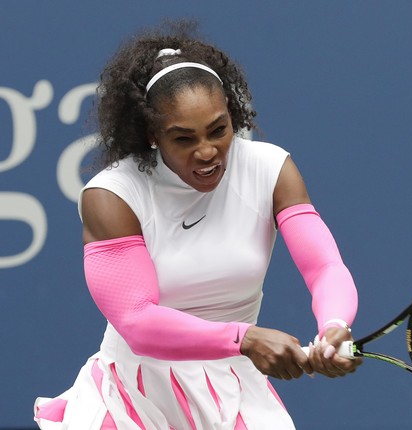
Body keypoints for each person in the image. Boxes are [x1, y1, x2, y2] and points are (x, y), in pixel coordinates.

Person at [34, 19, 360, 430]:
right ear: (153, 134)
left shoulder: (271, 169)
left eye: (218, 130)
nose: (207, 151)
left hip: (238, 385)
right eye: (184, 139)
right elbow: (136, 321)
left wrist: (334, 325)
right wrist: (243, 339)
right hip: (136, 396)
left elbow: (325, 267)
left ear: (232, 115)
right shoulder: (113, 195)